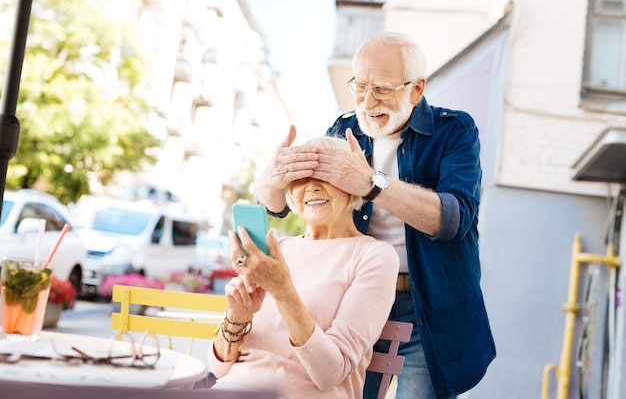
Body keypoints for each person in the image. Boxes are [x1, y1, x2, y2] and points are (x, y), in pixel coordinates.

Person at [254, 32, 496, 399]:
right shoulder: (343, 129)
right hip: (354, 296)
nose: (368, 101)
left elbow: (453, 220)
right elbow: (289, 204)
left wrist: (371, 182)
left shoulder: (455, 131)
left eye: (381, 88)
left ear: (416, 89)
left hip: (427, 302)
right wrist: (270, 183)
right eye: (360, 87)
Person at [208, 135, 400, 399]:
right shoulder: (279, 248)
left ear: (352, 184)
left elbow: (330, 373)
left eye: (325, 175)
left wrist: (282, 289)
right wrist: (238, 316)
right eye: (300, 178)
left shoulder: (375, 256)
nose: (311, 187)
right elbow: (218, 367)